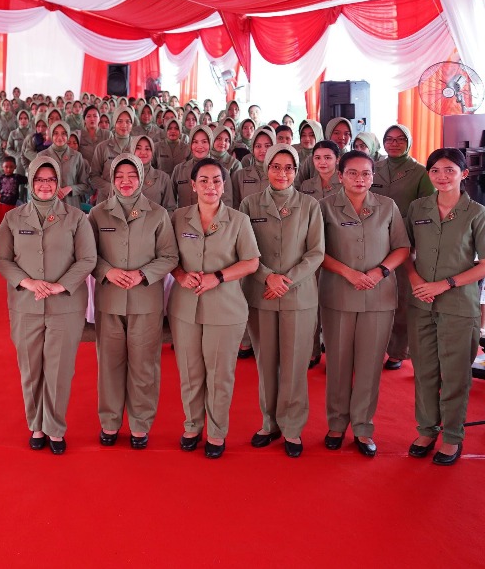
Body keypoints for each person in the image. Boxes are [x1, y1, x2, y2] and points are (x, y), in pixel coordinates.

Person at [0, 155, 97, 455]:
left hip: (65, 304)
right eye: (39, 179)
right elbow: (2, 259)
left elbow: (87, 259)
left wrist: (59, 285)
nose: (45, 185)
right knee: (31, 368)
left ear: (58, 182)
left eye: (51, 180)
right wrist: (28, 282)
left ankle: (54, 427)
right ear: (31, 182)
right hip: (25, 304)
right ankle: (35, 425)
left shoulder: (76, 218)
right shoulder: (14, 218)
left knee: (59, 369)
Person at [403, 148, 485, 466]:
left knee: (455, 375)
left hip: (458, 305)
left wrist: (445, 284)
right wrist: (415, 280)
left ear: (463, 174)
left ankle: (452, 437)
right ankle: (426, 430)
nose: (442, 177)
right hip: (421, 303)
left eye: (449, 170)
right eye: (435, 171)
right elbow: (405, 251)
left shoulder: (477, 214)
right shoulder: (418, 208)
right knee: (425, 372)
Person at [318, 149, 411, 457]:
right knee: (338, 363)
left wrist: (379, 271)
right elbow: (316, 250)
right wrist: (348, 273)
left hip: (378, 295)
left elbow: (402, 247)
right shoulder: (324, 207)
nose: (360, 179)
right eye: (353, 173)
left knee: (370, 365)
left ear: (373, 177)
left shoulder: (387, 206)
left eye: (366, 174)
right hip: (338, 294)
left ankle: (362, 427)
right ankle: (336, 424)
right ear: (340, 176)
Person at [169, 158, 261, 458]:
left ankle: (217, 432)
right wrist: (180, 275)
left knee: (220, 374)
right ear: (193, 185)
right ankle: (192, 425)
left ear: (224, 186)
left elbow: (251, 262)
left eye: (217, 181)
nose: (211, 186)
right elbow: (167, 257)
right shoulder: (177, 218)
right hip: (185, 307)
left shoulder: (238, 220)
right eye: (204, 181)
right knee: (190, 371)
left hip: (225, 308)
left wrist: (218, 277)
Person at [239, 144, 324, 457]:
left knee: (294, 364)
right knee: (266, 362)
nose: (282, 173)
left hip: (298, 295)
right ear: (267, 168)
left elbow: (316, 252)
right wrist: (267, 277)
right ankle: (269, 423)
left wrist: (285, 280)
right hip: (261, 294)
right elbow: (243, 249)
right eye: (276, 166)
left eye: (289, 167)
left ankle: (292, 428)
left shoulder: (310, 205)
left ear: (297, 170)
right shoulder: (249, 204)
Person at [89, 154, 178, 450]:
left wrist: (143, 274)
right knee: (109, 365)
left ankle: (140, 424)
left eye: (132, 175)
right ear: (112, 180)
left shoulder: (158, 214)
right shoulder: (98, 214)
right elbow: (88, 255)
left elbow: (169, 256)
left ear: (141, 178)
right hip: (109, 301)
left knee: (144, 366)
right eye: (119, 176)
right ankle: (110, 421)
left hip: (145, 302)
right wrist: (107, 271)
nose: (125, 181)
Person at [374, 124, 435, 370]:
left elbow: (427, 209)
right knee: (374, 295)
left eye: (400, 139)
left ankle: (398, 350)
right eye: (389, 139)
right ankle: (373, 347)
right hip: (374, 239)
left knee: (401, 297)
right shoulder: (374, 168)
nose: (394, 143)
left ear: (408, 142)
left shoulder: (420, 172)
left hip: (405, 241)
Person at [171, 126, 215, 208]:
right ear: (190, 144)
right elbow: (170, 202)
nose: (199, 146)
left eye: (204, 142)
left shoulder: (220, 171)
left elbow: (226, 204)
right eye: (195, 142)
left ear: (211, 143)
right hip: (183, 216)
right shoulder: (179, 170)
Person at [131, 134, 177, 212]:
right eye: (138, 148)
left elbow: (170, 209)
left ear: (152, 153)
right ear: (132, 151)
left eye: (147, 149)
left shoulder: (163, 178)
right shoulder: (121, 176)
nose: (143, 152)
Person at [233, 127, 275, 206]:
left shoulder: (281, 175)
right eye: (258, 146)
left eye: (267, 146)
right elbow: (234, 206)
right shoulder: (240, 175)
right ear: (252, 148)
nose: (263, 150)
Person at [0, 155, 27, 226]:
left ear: (15, 167)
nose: (9, 169)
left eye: (11, 167)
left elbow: (27, 180)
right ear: (2, 167)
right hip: (2, 203)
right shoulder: (0, 178)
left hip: (14, 203)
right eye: (6, 167)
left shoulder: (17, 177)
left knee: (13, 222)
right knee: (2, 223)